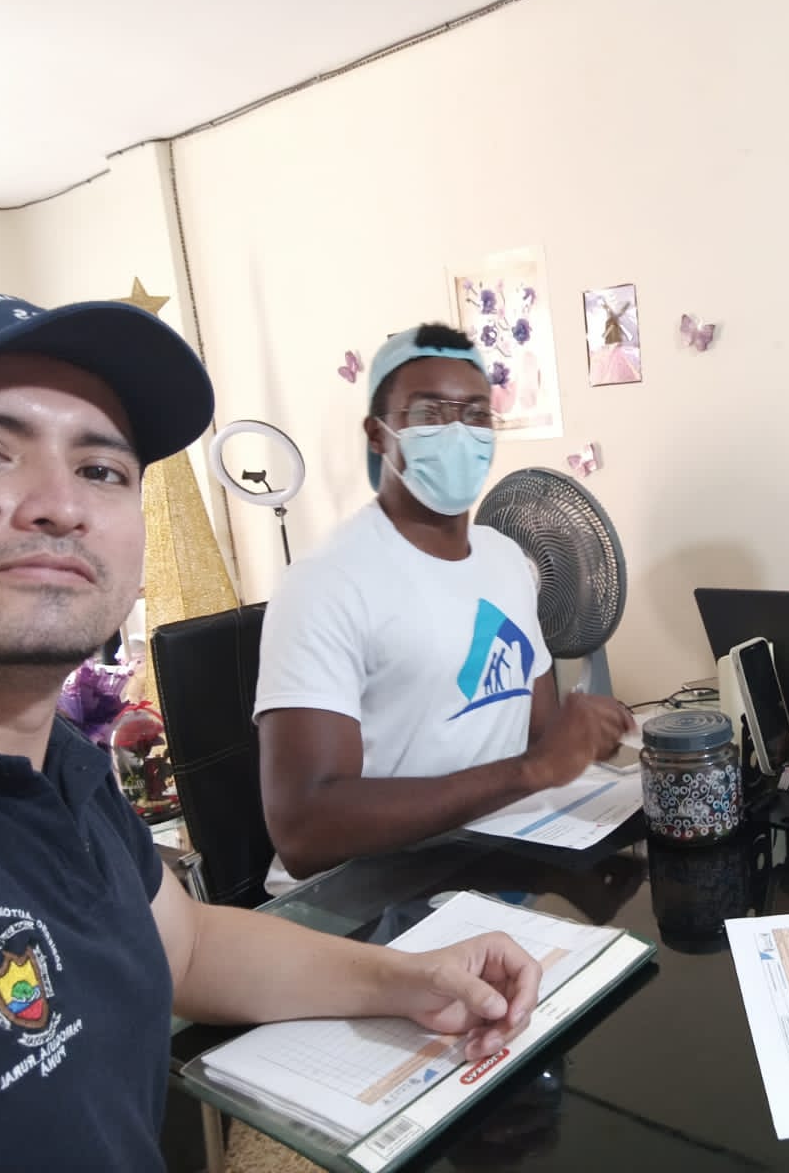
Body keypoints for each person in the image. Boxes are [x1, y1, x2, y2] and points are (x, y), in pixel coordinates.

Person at [0, 295, 542, 1171]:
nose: (61, 505)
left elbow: (190, 946)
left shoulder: (54, 763)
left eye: (101, 468)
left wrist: (413, 977)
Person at [256, 324, 633, 889]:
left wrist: (584, 733)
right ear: (378, 434)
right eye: (429, 413)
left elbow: (537, 735)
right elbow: (303, 832)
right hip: (363, 897)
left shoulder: (508, 560)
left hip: (493, 857)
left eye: (477, 414)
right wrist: (531, 770)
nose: (459, 432)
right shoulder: (325, 583)